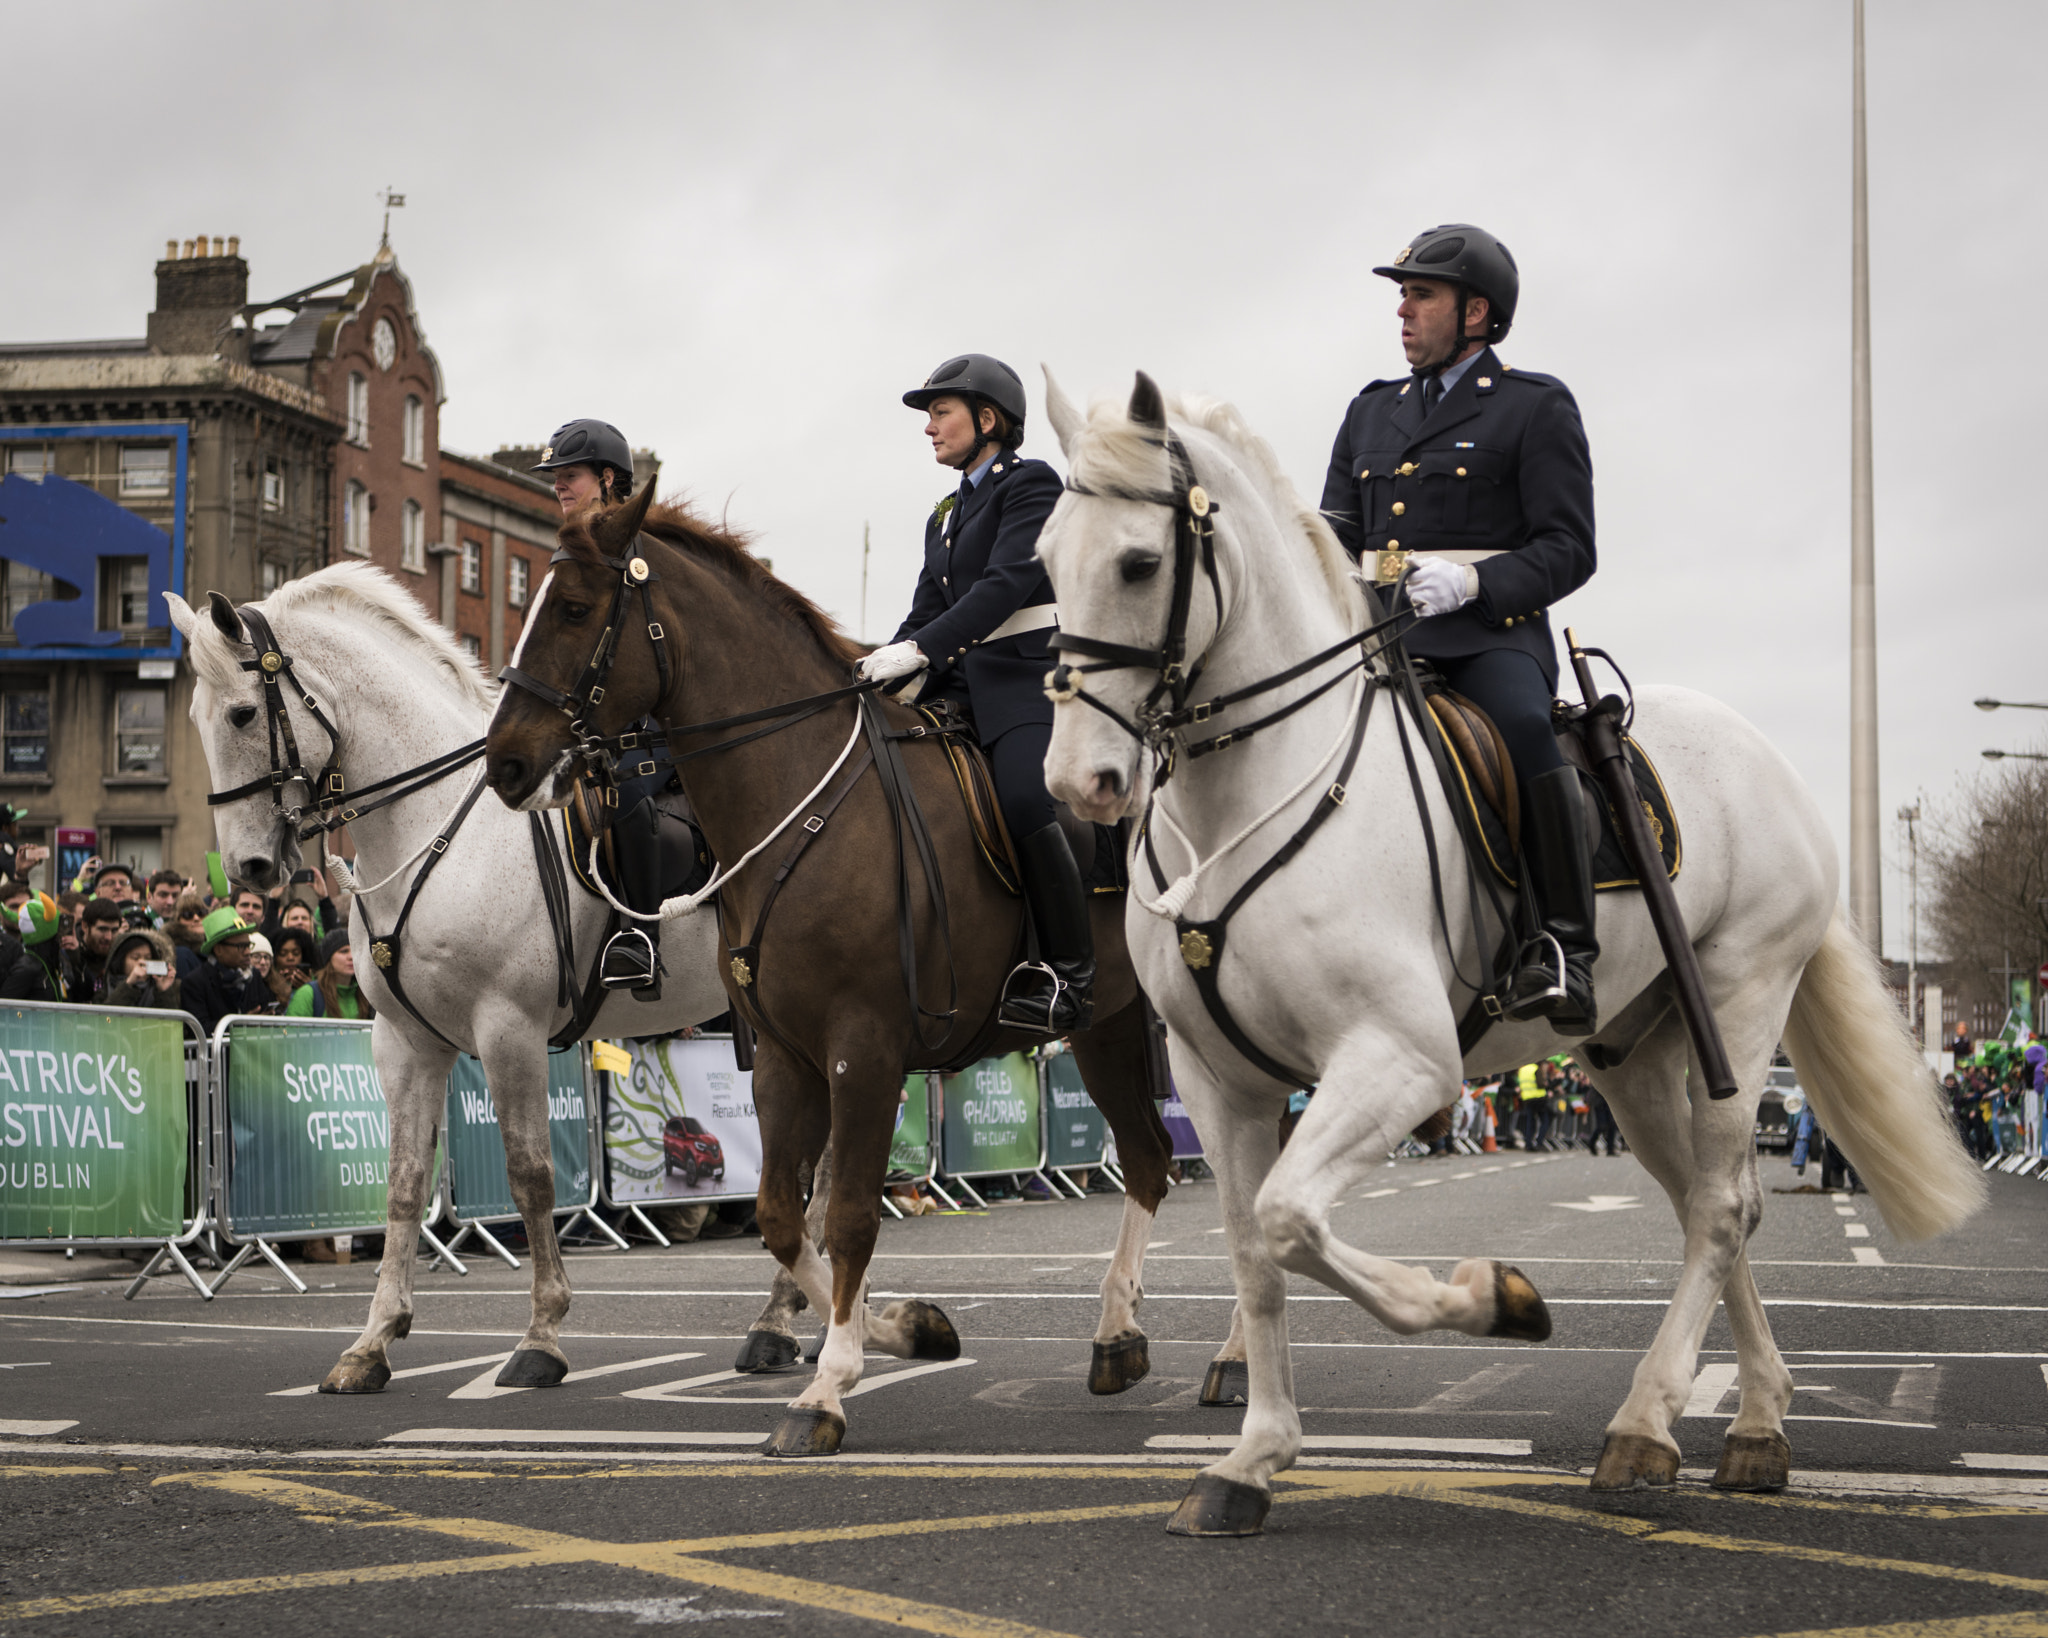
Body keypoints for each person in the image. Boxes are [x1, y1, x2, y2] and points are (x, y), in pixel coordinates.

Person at [1320, 225, 1599, 1035]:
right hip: (1377, 636)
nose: (1402, 311)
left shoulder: (1533, 407)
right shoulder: (1370, 411)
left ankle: (1564, 947)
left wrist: (1479, 581)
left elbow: (1570, 546)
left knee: (1521, 728)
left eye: (1421, 294)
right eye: (1401, 295)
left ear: (1477, 312)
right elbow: (1334, 532)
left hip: (1487, 636)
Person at [857, 354, 1091, 1035]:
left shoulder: (1032, 487)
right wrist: (881, 662)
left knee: (1022, 796)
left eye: (940, 412)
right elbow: (927, 608)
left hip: (1026, 681)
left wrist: (923, 649)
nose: (928, 427)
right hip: (958, 685)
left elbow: (1004, 588)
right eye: (929, 416)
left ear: (988, 419)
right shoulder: (945, 514)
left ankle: (1068, 976)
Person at [530, 418, 675, 997]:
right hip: (591, 726)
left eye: (570, 476)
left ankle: (639, 936)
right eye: (555, 480)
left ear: (609, 479)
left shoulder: (645, 545)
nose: (559, 487)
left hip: (655, 726)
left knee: (629, 797)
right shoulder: (569, 554)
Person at [184, 908, 270, 1036]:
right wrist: (240, 1024)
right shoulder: (195, 983)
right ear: (218, 949)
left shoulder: (253, 976)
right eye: (241, 947)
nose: (247, 952)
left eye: (248, 945)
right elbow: (198, 1030)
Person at [286, 929, 373, 1019]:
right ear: (328, 959)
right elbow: (293, 1031)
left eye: (354, 950)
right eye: (344, 951)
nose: (351, 957)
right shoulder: (308, 993)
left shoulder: (367, 995)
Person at [1, 893, 66, 1002]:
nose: (61, 937)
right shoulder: (27, 969)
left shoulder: (51, 962)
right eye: (57, 934)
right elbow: (5, 1007)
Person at [104, 926, 184, 1012]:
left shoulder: (163, 988)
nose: (142, 962)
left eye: (148, 958)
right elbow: (106, 1019)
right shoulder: (105, 987)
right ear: (120, 961)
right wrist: (128, 984)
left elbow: (171, 1022)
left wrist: (163, 991)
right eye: (135, 958)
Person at [66, 897, 125, 1004]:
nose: (108, 937)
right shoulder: (67, 954)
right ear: (85, 926)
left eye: (114, 930)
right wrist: (76, 958)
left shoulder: (123, 957)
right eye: (102, 929)